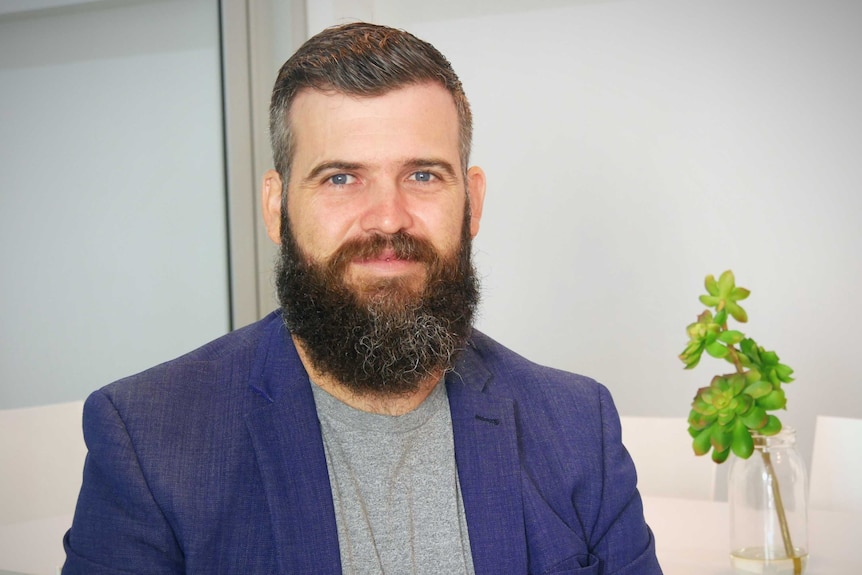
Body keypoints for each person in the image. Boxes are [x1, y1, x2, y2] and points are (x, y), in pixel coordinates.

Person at [62, 22, 661, 574]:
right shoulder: (149, 439)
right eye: (340, 178)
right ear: (277, 207)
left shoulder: (580, 426)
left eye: (423, 175)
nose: (387, 219)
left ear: (472, 202)